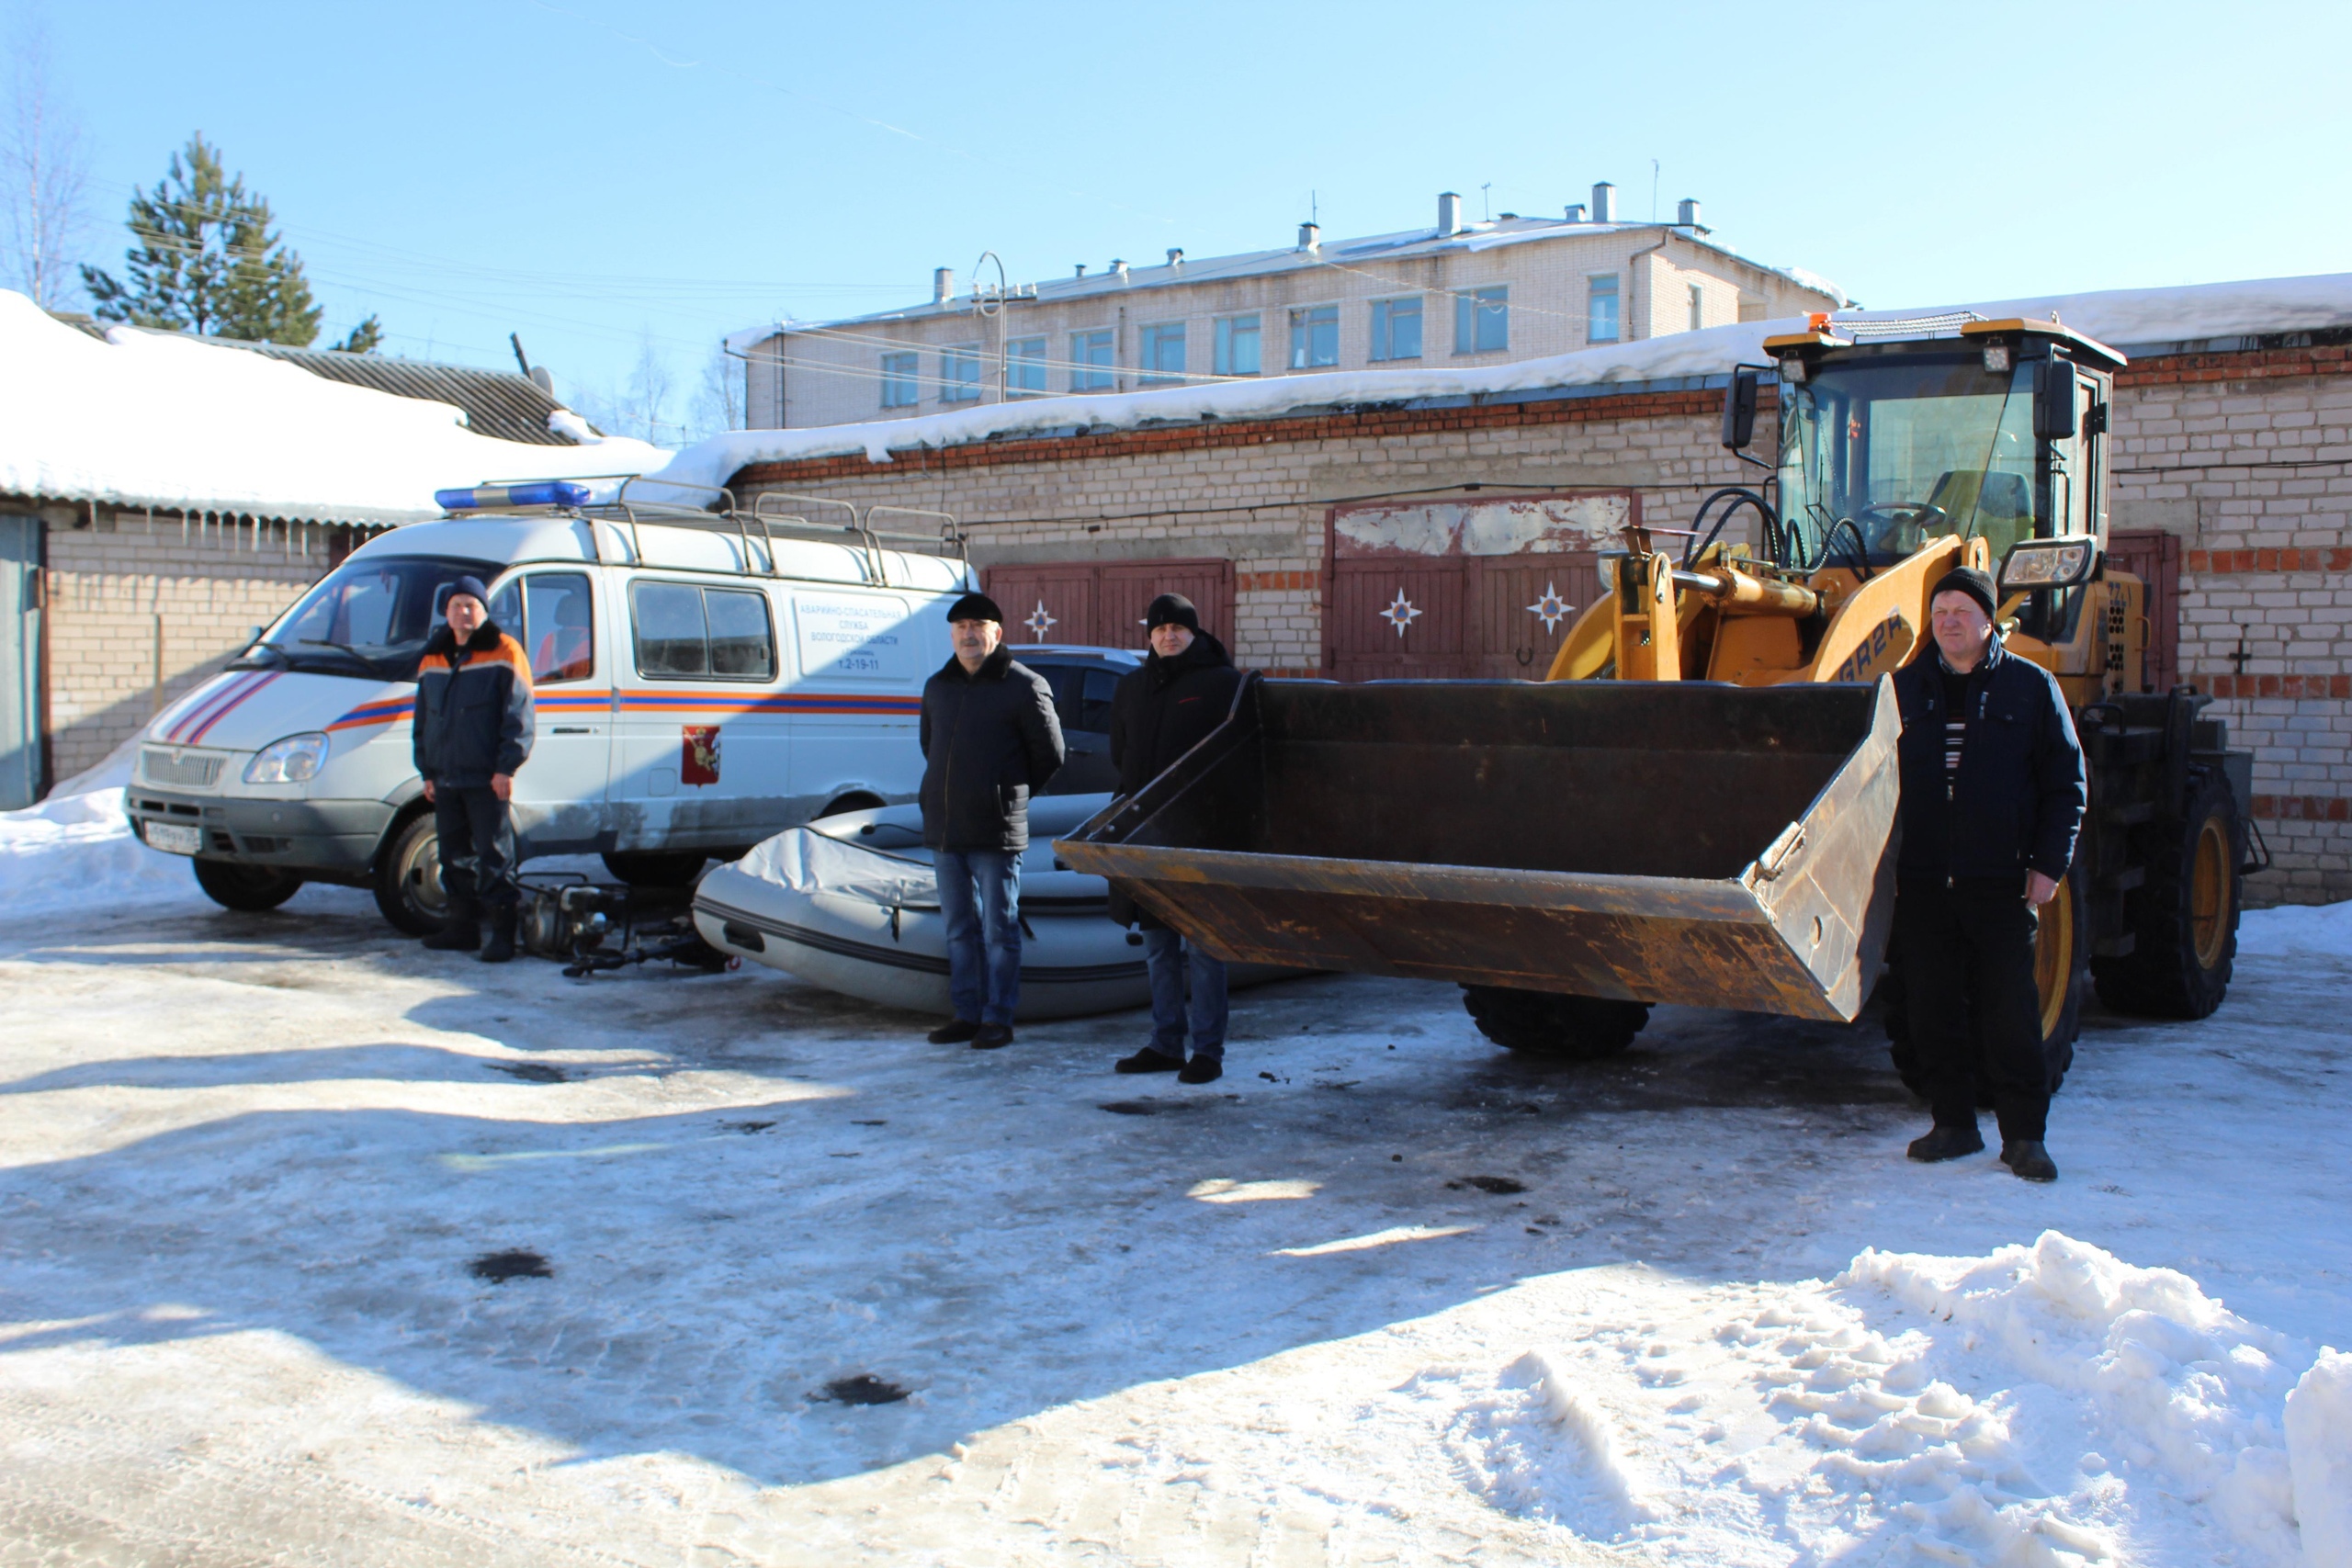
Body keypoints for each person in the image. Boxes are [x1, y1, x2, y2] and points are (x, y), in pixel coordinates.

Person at [1891, 565, 2086, 1182]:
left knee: (2010, 1012)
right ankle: (1952, 1123)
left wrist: (2049, 867)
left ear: (1988, 620)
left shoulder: (2030, 687)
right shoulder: (1903, 688)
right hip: (1924, 883)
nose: (1948, 621)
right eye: (1939, 611)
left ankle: (2025, 1135)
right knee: (1932, 1007)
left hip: (1999, 882)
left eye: (1961, 611)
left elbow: (2066, 782)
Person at [1107, 593, 1246, 1085]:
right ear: (1149, 636)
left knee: (1205, 948)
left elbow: (1242, 758)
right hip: (1145, 836)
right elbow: (1119, 752)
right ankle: (1166, 1043)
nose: (1169, 635)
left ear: (1195, 632)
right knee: (1157, 945)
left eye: (1178, 628)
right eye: (1160, 628)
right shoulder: (1132, 687)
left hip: (1201, 837)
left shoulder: (1224, 684)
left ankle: (1207, 1051)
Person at [918, 592, 1065, 1050]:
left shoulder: (1023, 685)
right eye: (960, 626)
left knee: (999, 930)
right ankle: (967, 1012)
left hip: (995, 831)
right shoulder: (938, 686)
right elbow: (930, 747)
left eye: (977, 625)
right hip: (946, 828)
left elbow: (1051, 754)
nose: (968, 634)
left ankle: (997, 1018)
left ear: (996, 633)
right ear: (951, 634)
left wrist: (1007, 795)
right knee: (959, 928)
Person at [413, 576, 536, 963]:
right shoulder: (434, 654)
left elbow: (518, 715)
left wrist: (506, 767)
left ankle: (503, 935)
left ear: (484, 611)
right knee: (453, 857)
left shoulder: (504, 650)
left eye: (471, 605)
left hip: (486, 777)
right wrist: (427, 771)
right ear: (446, 612)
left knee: (494, 856)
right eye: (456, 605)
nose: (463, 612)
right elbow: (423, 719)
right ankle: (461, 929)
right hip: (445, 776)